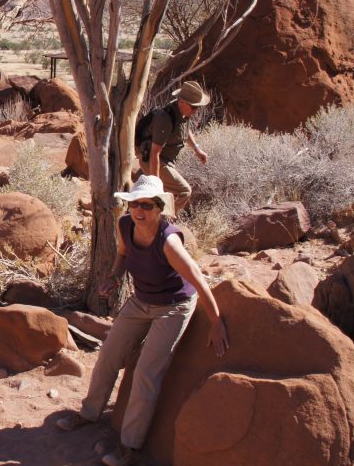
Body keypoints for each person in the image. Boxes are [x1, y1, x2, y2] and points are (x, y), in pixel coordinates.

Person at [55, 175, 229, 466]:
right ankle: (89, 413)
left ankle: (129, 446)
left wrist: (217, 321)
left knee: (146, 373)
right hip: (141, 300)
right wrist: (114, 278)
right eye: (135, 203)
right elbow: (123, 253)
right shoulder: (125, 225)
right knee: (109, 354)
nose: (139, 210)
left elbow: (198, 280)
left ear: (159, 208)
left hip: (173, 306)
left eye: (147, 205)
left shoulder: (168, 241)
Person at [137, 80, 210, 214]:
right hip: (155, 161)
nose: (196, 110)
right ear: (181, 101)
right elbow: (154, 153)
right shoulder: (165, 119)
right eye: (194, 107)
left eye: (197, 107)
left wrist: (197, 149)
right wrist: (155, 184)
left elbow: (185, 130)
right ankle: (162, 217)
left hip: (166, 160)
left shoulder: (182, 113)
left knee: (144, 195)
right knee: (184, 191)